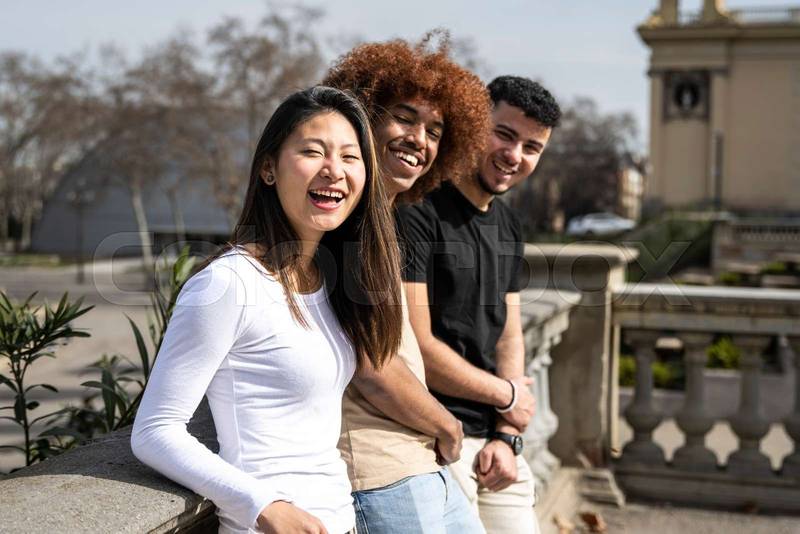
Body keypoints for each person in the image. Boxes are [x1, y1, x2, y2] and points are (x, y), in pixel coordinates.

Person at [131, 86, 403, 534]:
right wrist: (264, 505)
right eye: (312, 152)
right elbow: (154, 431)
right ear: (269, 168)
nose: (334, 170)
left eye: (350, 157)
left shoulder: (328, 280)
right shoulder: (228, 283)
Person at [322, 35, 491, 533]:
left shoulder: (380, 224)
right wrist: (447, 424)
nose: (420, 139)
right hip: (381, 474)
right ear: (363, 119)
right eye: (404, 118)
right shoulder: (345, 223)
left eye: (435, 131)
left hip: (420, 461)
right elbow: (373, 368)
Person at [399, 75, 562, 534]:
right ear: (473, 123)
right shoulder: (417, 209)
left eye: (532, 147)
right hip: (432, 438)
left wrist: (507, 435)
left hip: (494, 440)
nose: (514, 155)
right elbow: (418, 347)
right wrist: (508, 396)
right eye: (504, 134)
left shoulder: (509, 225)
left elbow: (509, 334)